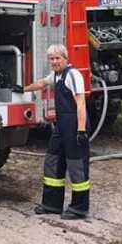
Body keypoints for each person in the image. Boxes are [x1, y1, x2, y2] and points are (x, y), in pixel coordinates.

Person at [22, 43, 90, 220]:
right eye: (51, 58)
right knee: (53, 161)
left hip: (74, 124)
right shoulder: (56, 75)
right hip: (60, 125)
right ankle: (52, 205)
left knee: (76, 166)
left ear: (66, 58)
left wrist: (81, 131)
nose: (54, 61)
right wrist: (22, 89)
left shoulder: (72, 75)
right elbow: (41, 83)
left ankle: (79, 208)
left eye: (57, 58)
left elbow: (81, 104)